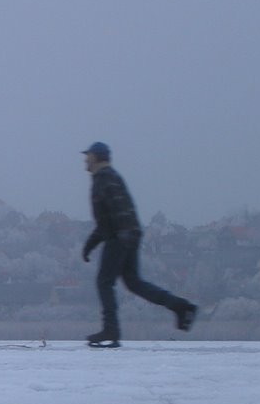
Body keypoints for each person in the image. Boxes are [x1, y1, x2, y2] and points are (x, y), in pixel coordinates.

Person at [80, 142, 197, 347]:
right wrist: (94, 244)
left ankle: (111, 329)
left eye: (87, 155)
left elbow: (113, 216)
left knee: (104, 282)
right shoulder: (108, 178)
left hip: (120, 236)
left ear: (97, 157)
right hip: (127, 235)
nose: (84, 159)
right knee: (134, 283)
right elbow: (109, 219)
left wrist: (98, 243)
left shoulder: (105, 179)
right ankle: (180, 306)